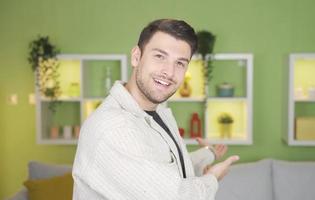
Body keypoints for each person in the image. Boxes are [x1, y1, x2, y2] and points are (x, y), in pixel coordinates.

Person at [72, 19, 239, 200]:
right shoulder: (114, 127)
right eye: (160, 56)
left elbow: (161, 172)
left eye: (180, 63)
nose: (169, 71)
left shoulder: (156, 114)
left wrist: (208, 154)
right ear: (136, 56)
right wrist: (213, 178)